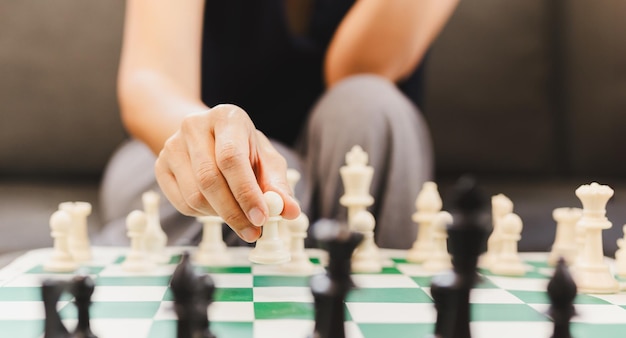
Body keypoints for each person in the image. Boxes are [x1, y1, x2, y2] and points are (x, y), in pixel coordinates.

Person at [97, 0, 460, 249]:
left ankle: (369, 320)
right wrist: (209, 136)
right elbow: (151, 81)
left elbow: (356, 69)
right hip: (174, 144)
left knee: (372, 106)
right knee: (255, 186)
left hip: (343, 157)